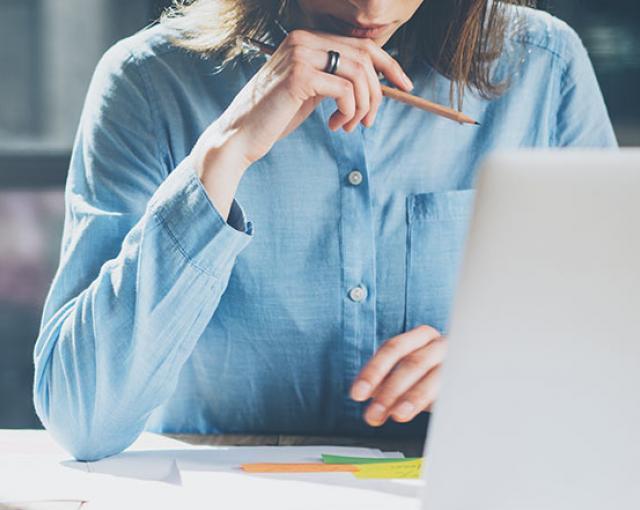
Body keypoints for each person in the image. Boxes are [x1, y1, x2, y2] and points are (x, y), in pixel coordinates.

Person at [33, 0, 616, 461]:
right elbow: (81, 418)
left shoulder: (545, 68)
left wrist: (505, 364)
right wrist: (223, 155)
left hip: (453, 501)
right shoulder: (147, 81)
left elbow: (612, 359)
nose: (370, 9)